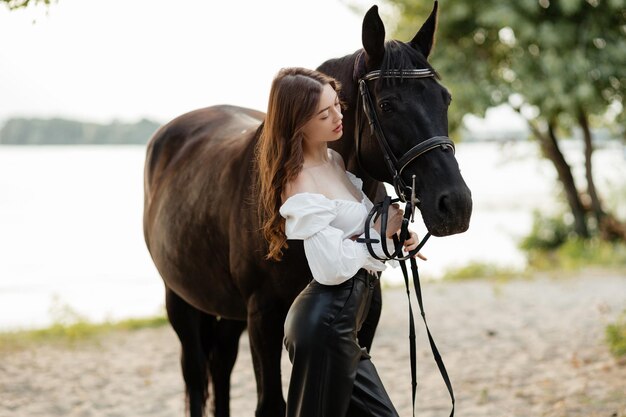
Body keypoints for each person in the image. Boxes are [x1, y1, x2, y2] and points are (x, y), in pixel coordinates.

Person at [254, 67, 425, 417]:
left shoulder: (334, 160)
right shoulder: (298, 179)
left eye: (337, 105)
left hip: (341, 328)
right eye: (323, 113)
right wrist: (379, 235)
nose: (338, 116)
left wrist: (398, 235)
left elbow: (357, 234)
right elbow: (330, 267)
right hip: (323, 329)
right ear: (297, 123)